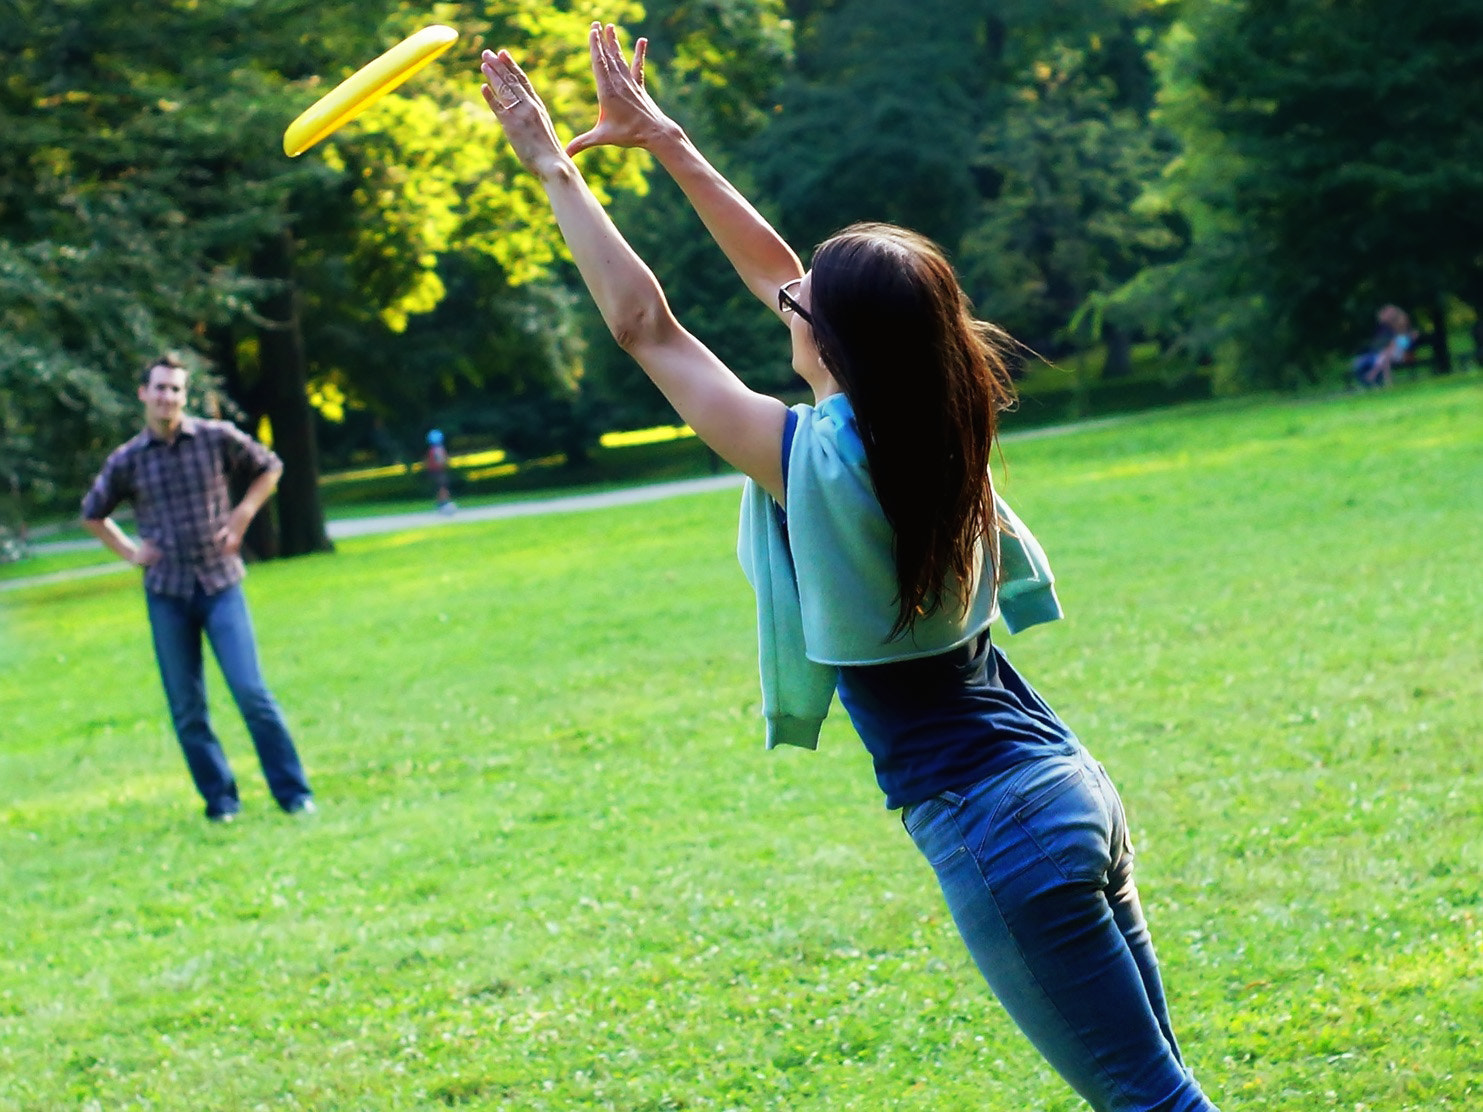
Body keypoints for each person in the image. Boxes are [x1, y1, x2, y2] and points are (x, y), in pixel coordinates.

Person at [478, 27, 1219, 1110]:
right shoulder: (941, 415)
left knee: (1152, 1102)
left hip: (999, 825)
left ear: (832, 339)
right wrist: (666, 141)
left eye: (806, 301)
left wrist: (552, 164)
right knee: (1163, 1092)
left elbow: (646, 326)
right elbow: (784, 279)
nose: (789, 296)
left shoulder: (813, 464)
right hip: (1065, 787)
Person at [81, 354, 315, 824]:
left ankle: (293, 794)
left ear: (184, 397)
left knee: (251, 692)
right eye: (161, 388)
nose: (168, 397)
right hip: (167, 593)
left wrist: (243, 514)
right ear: (144, 394)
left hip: (220, 583)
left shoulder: (215, 439)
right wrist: (130, 553)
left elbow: (270, 467)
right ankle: (221, 801)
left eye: (176, 389)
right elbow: (92, 512)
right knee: (187, 708)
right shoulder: (128, 460)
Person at [1352, 304, 1416, 388]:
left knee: (1385, 355)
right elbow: (1388, 346)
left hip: (1402, 356)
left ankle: (1373, 374)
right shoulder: (1394, 333)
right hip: (1390, 355)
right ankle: (1386, 381)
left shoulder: (1404, 336)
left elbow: (1404, 348)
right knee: (1385, 357)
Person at [425, 428, 456, 514]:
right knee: (443, 487)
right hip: (439, 471)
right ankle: (445, 504)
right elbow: (442, 460)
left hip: (434, 472)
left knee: (440, 488)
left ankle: (441, 504)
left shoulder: (431, 449)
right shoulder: (438, 449)